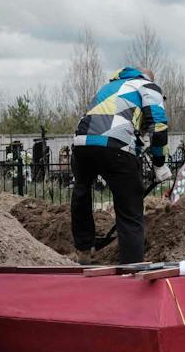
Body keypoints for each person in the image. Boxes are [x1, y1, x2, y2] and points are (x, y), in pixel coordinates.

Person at [72, 66, 170, 264]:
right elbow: (158, 128)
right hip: (116, 145)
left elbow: (117, 121)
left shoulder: (107, 88)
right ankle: (132, 265)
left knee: (81, 192)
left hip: (81, 143)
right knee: (129, 208)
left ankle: (83, 248)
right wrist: (159, 163)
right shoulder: (148, 86)